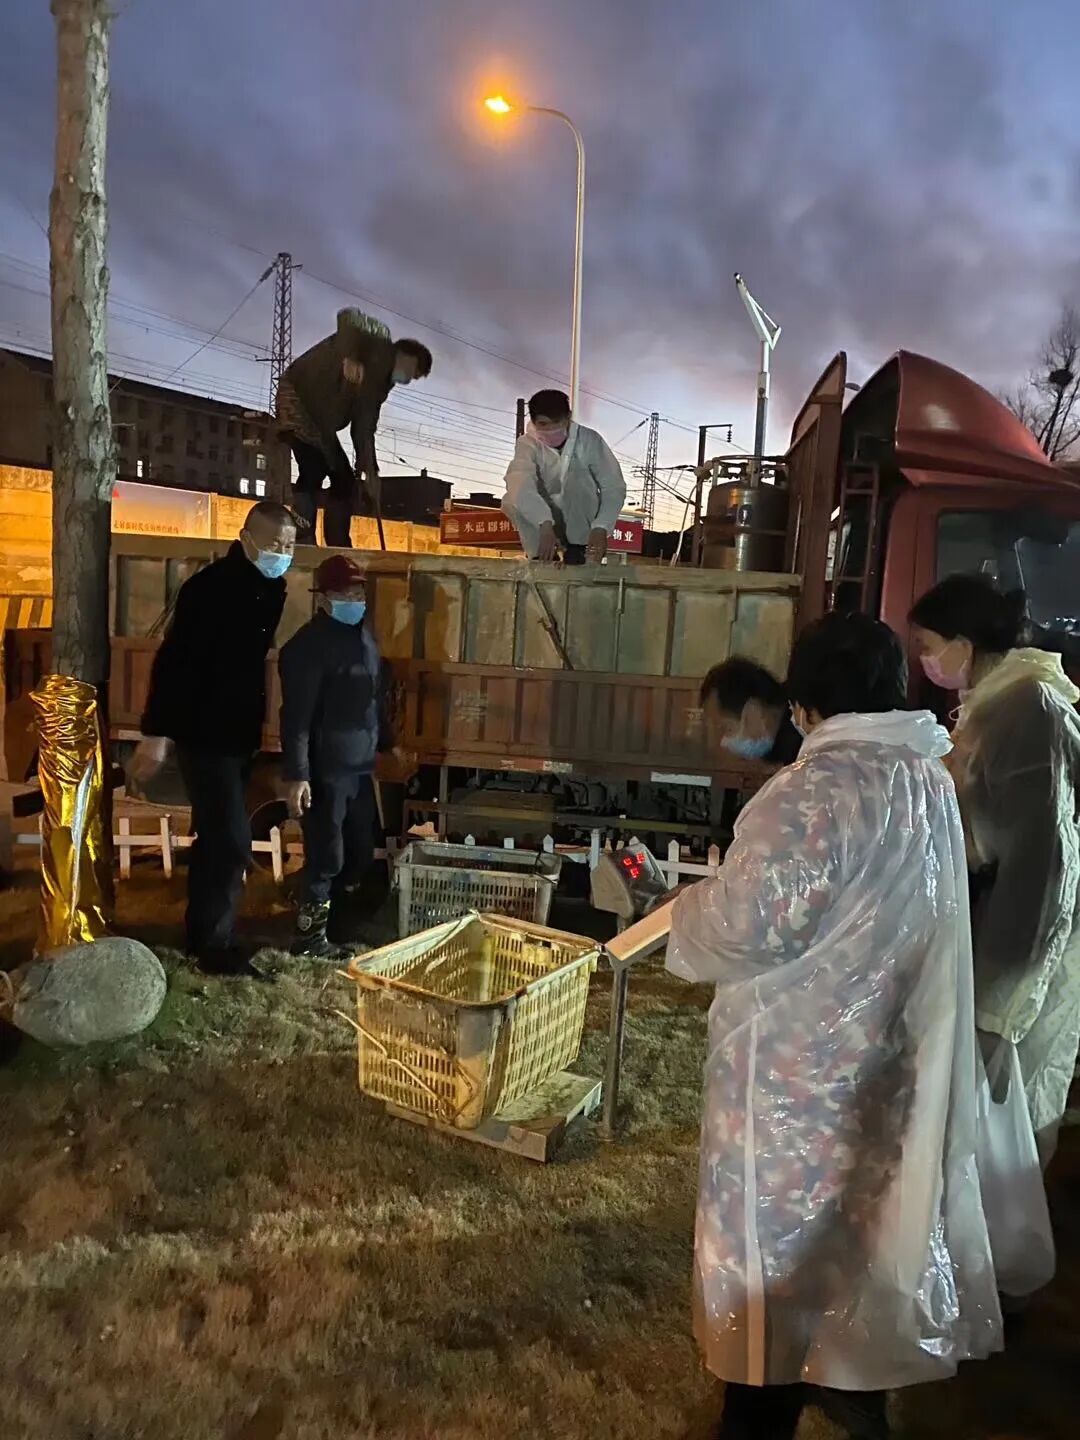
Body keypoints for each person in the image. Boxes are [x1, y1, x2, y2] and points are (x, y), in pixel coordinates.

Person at [667, 611, 1000, 1439]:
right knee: (866, 1228)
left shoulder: (815, 791)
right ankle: (855, 1384)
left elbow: (750, 923)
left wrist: (684, 911)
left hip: (797, 1077)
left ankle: (763, 1404)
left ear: (805, 703)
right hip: (892, 1056)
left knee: (776, 1247)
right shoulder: (927, 778)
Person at [910, 573, 1080, 1169]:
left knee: (1013, 1107)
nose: (925, 660)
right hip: (1003, 932)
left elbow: (1046, 860)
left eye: (928, 646)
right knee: (988, 1110)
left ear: (964, 643)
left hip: (1024, 946)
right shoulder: (1000, 704)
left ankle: (1006, 1226)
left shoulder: (1029, 709)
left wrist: (1008, 986)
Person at [130, 502, 296, 977]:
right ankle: (215, 945)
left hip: (235, 735)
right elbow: (175, 663)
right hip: (204, 734)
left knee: (217, 838)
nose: (282, 554)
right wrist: (157, 733)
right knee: (229, 839)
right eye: (274, 544)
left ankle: (205, 937)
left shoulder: (268, 587)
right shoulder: (212, 589)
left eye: (289, 546)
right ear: (246, 539)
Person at [278, 554, 394, 956]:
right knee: (327, 853)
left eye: (358, 593)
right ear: (323, 598)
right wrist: (298, 774)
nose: (354, 600)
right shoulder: (307, 647)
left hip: (359, 767)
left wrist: (389, 744)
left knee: (360, 849)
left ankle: (337, 924)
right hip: (326, 769)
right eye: (345, 594)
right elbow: (296, 716)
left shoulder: (364, 639)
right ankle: (309, 938)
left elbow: (373, 700)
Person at [276, 307, 433, 547]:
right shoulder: (378, 339)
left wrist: (370, 470)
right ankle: (302, 537)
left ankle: (338, 542)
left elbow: (364, 428)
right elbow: (348, 317)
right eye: (414, 373)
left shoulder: (379, 386)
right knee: (313, 467)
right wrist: (351, 356)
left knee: (344, 481)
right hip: (298, 398)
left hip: (322, 421)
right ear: (407, 356)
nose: (409, 380)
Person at [501, 389, 626, 563]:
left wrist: (601, 526)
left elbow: (612, 486)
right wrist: (544, 523)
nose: (550, 430)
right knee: (513, 497)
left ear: (568, 417)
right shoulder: (527, 444)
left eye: (557, 423)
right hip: (541, 523)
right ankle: (541, 554)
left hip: (581, 520)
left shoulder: (589, 440)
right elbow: (520, 484)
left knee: (576, 481)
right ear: (533, 421)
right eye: (543, 424)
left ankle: (579, 550)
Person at [700, 657, 802, 765]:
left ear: (754, 710)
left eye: (726, 728)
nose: (723, 743)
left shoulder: (806, 734)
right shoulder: (787, 750)